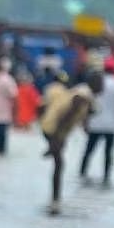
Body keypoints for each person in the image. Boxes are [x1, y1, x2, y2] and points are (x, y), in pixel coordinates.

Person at [40, 72, 100, 214]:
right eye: (101, 83)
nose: (103, 86)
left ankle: (55, 199)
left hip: (55, 129)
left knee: (59, 162)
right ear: (94, 84)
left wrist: (86, 121)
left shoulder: (85, 95)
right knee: (59, 164)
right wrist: (56, 139)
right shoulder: (82, 96)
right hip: (53, 129)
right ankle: (55, 201)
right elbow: (66, 116)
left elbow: (87, 111)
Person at [79, 59, 114, 186]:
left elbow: (86, 105)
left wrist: (84, 122)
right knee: (108, 153)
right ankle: (106, 176)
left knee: (88, 150)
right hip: (111, 126)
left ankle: (82, 173)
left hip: (94, 123)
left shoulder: (95, 83)